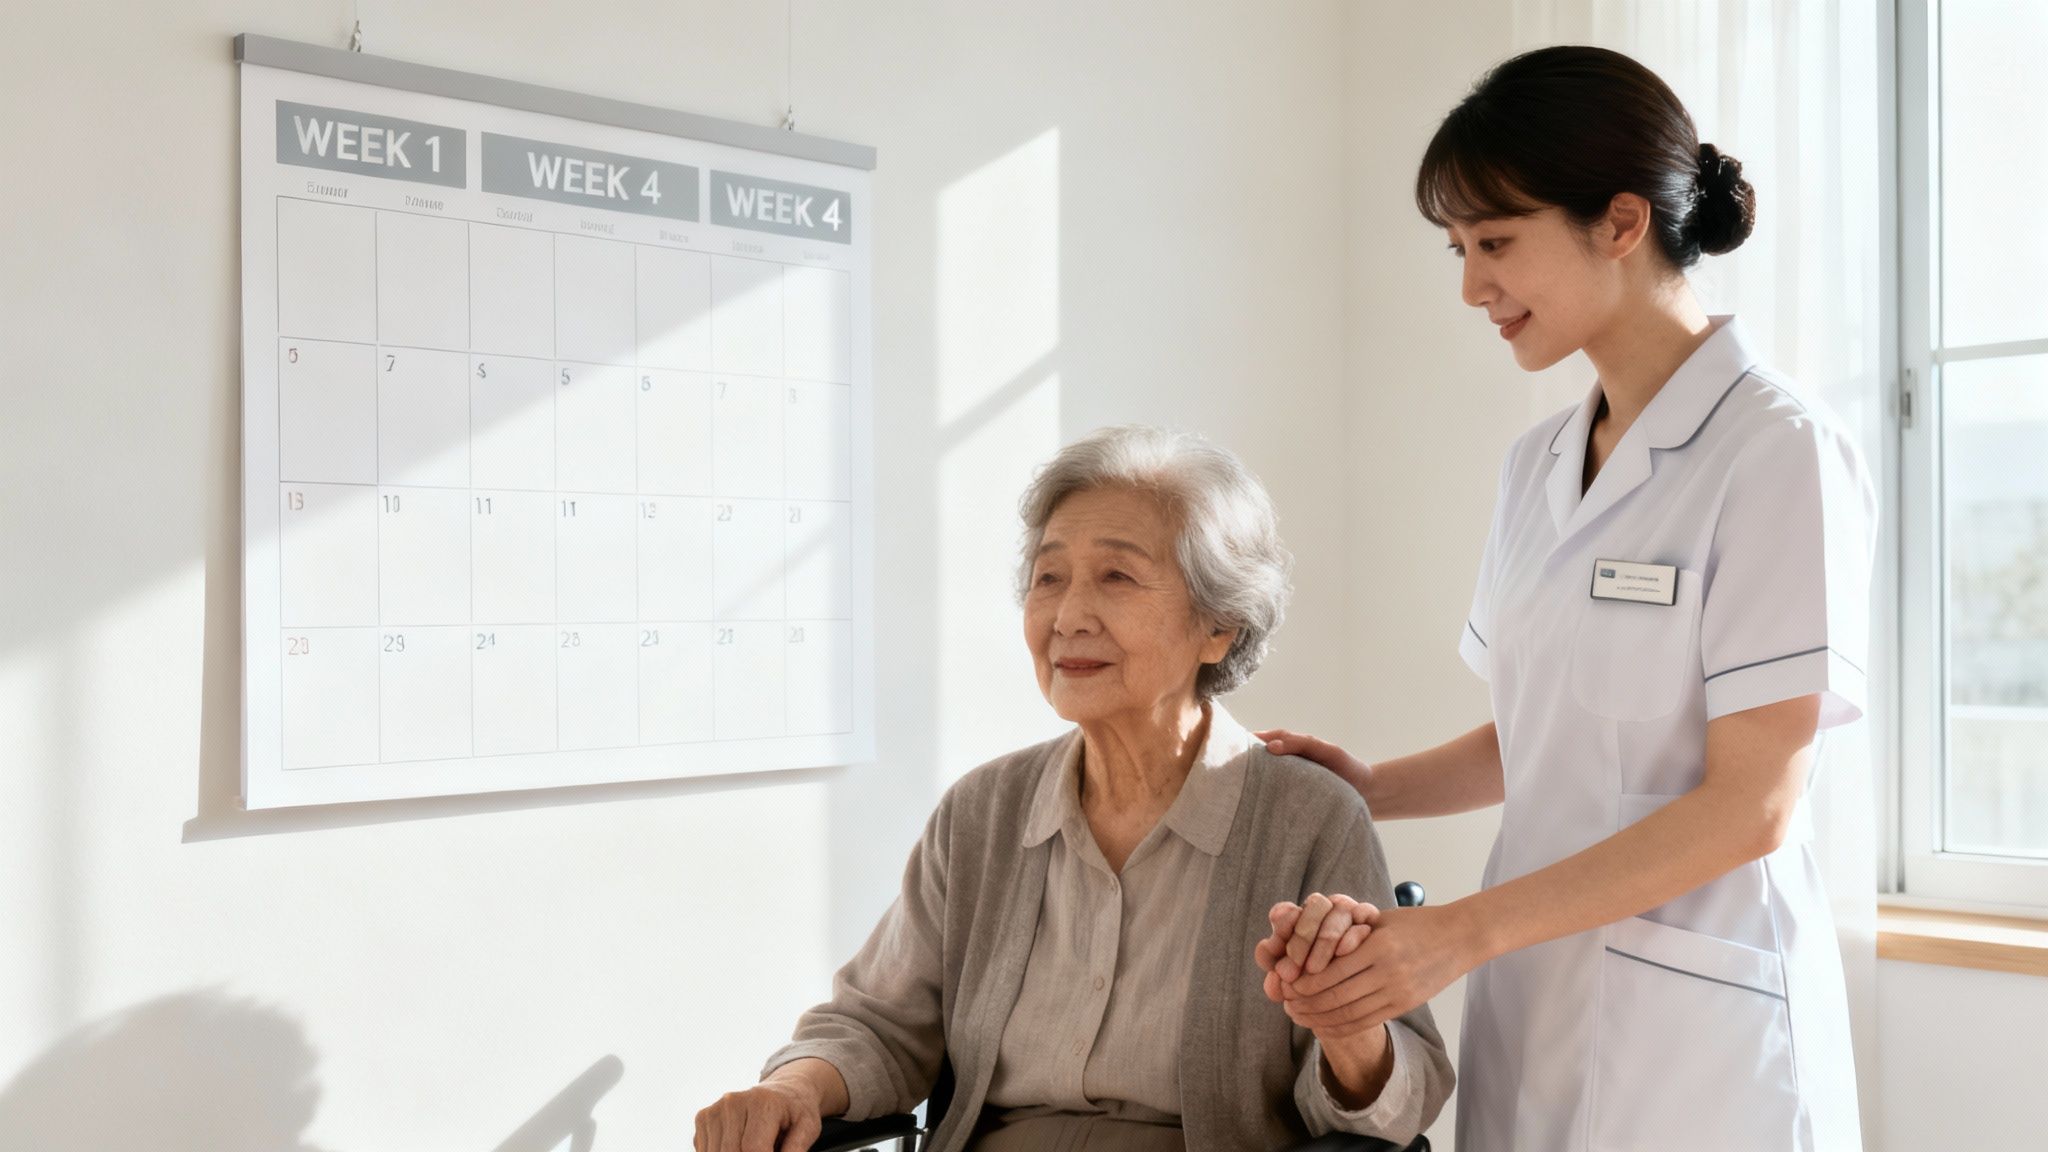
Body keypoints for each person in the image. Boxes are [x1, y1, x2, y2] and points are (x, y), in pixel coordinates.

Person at [1252, 45, 1877, 1152]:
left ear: (1621, 223)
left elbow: (1753, 804)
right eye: (1456, 248)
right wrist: (1371, 787)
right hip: (1533, 998)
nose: (1468, 285)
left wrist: (1455, 934)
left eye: (1495, 242)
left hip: (1699, 1041)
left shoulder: (1775, 453)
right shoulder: (1536, 464)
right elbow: (1548, 730)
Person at [695, 426, 1453, 1152]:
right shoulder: (982, 812)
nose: (1067, 615)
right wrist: (793, 1088)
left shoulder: (1307, 818)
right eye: (1048, 578)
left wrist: (1347, 1030)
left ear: (1216, 626)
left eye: (1116, 577)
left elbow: (1403, 1101)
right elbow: (878, 1024)